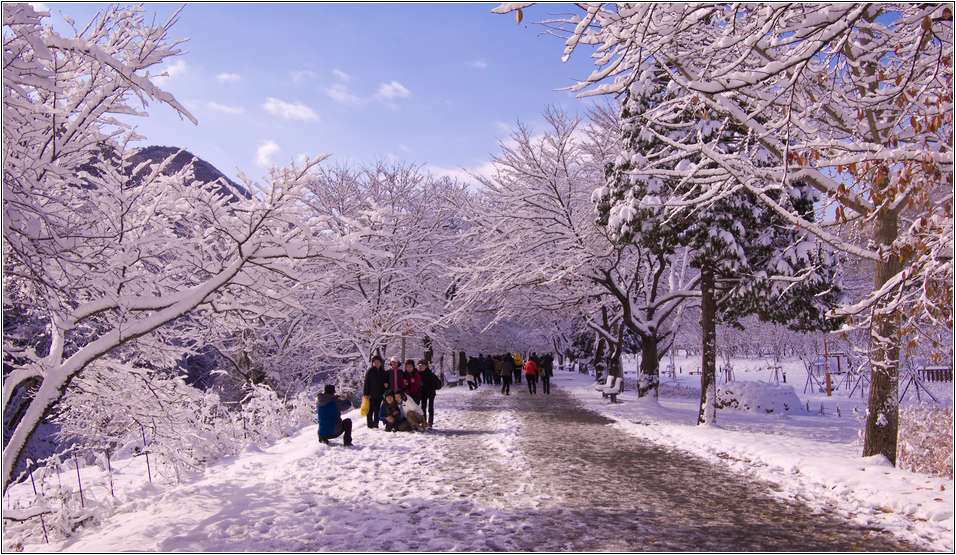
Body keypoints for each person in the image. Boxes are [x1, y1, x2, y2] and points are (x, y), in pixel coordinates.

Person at [363, 355, 387, 428]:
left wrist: (385, 387)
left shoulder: (383, 372)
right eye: (375, 362)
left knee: (377, 410)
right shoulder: (370, 371)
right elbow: (366, 383)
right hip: (370, 394)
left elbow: (385, 382)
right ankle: (370, 425)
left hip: (379, 394)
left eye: (378, 362)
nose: (376, 363)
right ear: (373, 363)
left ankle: (376, 424)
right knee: (370, 410)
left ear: (380, 363)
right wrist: (365, 394)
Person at [419, 359, 440, 427]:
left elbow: (438, 384)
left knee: (430, 408)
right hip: (423, 393)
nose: (420, 367)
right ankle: (424, 422)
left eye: (422, 365)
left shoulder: (430, 374)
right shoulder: (418, 374)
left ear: (426, 366)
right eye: (419, 366)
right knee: (423, 408)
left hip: (431, 393)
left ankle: (430, 422)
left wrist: (433, 387)